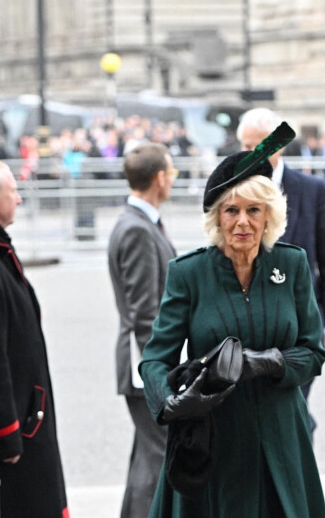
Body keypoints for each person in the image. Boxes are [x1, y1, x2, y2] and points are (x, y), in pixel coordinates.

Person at [139, 126, 325, 517]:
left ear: (269, 215)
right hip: (212, 440)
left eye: (253, 210)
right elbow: (154, 359)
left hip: (280, 435)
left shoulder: (291, 264)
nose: (243, 222)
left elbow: (312, 351)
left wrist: (270, 362)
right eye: (231, 210)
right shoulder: (188, 273)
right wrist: (171, 403)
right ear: (217, 217)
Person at [237, 108, 325, 428]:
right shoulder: (231, 187)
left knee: (293, 407)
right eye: (246, 146)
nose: (252, 154)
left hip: (301, 322)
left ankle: (297, 470)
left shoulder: (312, 190)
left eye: (259, 146)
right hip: (249, 321)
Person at [108, 142, 178, 518]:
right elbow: (144, 313)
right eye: (172, 173)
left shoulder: (139, 223)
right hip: (145, 366)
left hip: (142, 363)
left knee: (146, 457)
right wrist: (159, 376)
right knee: (159, 457)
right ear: (159, 178)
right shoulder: (137, 230)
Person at [0, 161, 69, 517]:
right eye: (13, 192)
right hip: (19, 428)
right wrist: (6, 431)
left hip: (28, 414)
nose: (20, 201)